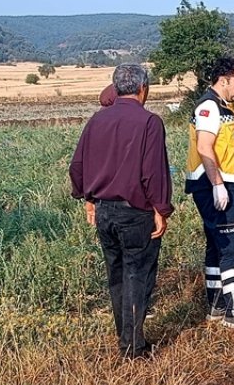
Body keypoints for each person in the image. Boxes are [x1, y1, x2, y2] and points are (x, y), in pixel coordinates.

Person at [69, 63, 172, 358]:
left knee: (116, 275)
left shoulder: (96, 121)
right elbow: (153, 172)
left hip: (104, 212)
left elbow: (77, 166)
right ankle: (133, 347)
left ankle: (126, 339)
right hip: (136, 212)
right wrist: (161, 208)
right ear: (144, 88)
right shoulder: (149, 122)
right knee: (137, 276)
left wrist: (87, 197)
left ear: (116, 89)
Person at [184, 57, 234, 333]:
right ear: (224, 79)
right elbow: (205, 147)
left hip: (221, 183)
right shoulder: (209, 106)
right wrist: (218, 184)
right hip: (215, 186)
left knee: (216, 244)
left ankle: (217, 305)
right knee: (232, 246)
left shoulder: (222, 106)